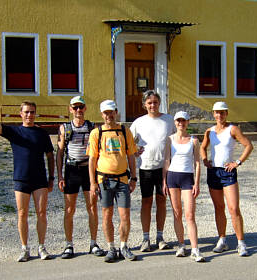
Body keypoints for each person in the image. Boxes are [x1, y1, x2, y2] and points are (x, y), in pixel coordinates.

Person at [0, 91, 55, 262]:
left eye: (32, 112)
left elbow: (50, 156)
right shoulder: (14, 132)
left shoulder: (42, 134)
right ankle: (25, 249)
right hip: (21, 179)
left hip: (40, 179)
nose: (29, 115)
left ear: (35, 113)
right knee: (22, 214)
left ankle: (42, 247)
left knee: (41, 213)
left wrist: (52, 177)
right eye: (26, 112)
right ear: (21, 114)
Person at [200, 101, 253, 257]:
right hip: (213, 172)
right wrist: (204, 160)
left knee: (234, 208)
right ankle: (222, 240)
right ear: (213, 114)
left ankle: (241, 243)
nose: (219, 115)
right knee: (219, 208)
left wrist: (237, 162)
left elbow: (248, 145)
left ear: (226, 113)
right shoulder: (209, 131)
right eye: (217, 112)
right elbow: (202, 147)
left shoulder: (233, 129)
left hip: (228, 172)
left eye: (222, 112)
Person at [87, 100, 138, 263]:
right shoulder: (96, 133)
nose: (108, 115)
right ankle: (111, 247)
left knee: (125, 215)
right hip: (104, 180)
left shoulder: (125, 131)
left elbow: (131, 156)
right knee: (106, 215)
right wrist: (93, 182)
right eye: (105, 113)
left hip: (123, 179)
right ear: (102, 114)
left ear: (116, 112)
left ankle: (123, 246)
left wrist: (134, 178)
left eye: (111, 112)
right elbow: (92, 159)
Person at [56, 96, 104, 259]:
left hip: (88, 171)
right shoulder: (64, 128)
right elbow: (60, 153)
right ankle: (69, 244)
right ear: (70, 109)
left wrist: (98, 176)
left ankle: (93, 243)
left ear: (85, 108)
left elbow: (99, 152)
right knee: (69, 209)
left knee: (92, 207)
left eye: (81, 107)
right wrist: (60, 175)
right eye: (75, 107)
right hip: (71, 170)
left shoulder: (92, 127)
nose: (78, 110)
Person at [130, 90, 175, 252]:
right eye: (149, 103)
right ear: (144, 105)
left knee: (162, 201)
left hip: (164, 169)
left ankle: (160, 237)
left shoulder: (169, 120)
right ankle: (145, 238)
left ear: (159, 103)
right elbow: (128, 142)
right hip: (146, 168)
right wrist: (134, 150)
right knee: (146, 202)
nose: (152, 105)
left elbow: (177, 139)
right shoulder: (138, 122)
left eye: (155, 102)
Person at [162, 111, 205, 262]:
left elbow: (197, 163)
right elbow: (166, 160)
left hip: (187, 178)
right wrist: (164, 181)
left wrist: (197, 183)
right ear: (175, 123)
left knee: (190, 215)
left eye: (184, 121)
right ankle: (181, 245)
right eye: (178, 121)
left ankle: (195, 249)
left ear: (187, 122)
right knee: (177, 213)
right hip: (172, 177)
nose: (181, 123)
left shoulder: (193, 140)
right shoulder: (169, 140)